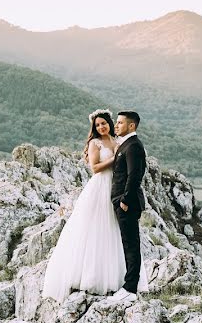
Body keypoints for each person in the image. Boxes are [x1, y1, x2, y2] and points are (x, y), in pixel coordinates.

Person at [41, 109, 127, 302]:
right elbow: (95, 168)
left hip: (116, 185)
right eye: (97, 125)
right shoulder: (94, 143)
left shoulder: (116, 141)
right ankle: (89, 276)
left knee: (113, 229)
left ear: (110, 123)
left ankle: (114, 275)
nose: (101, 127)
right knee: (95, 227)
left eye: (103, 123)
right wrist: (116, 159)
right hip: (100, 186)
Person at [111, 111, 148, 299]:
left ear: (131, 126)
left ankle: (130, 288)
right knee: (127, 243)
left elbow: (135, 175)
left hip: (127, 203)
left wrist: (125, 200)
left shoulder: (133, 146)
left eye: (119, 123)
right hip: (121, 201)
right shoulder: (125, 144)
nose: (115, 126)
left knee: (131, 244)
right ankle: (129, 284)